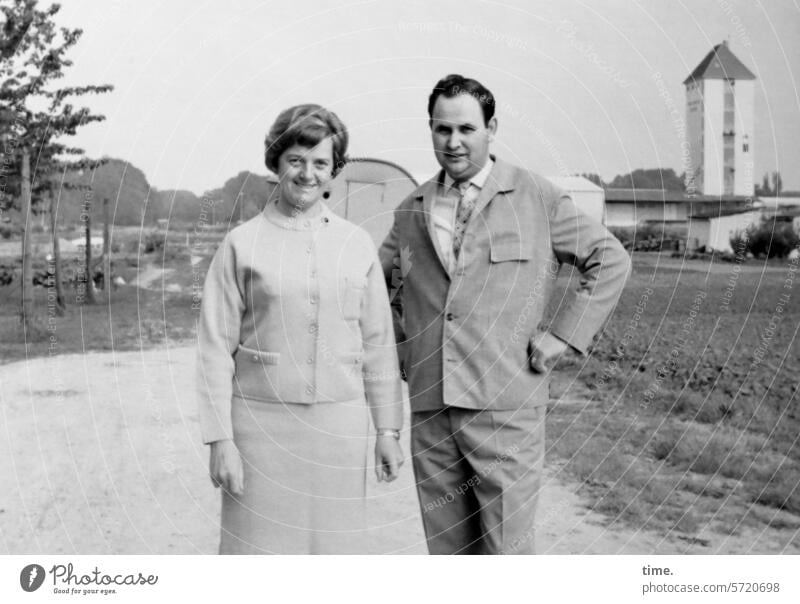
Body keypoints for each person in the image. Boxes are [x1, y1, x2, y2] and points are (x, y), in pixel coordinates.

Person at [379, 74, 631, 554]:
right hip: (432, 411)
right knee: (450, 554)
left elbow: (610, 259)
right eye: (442, 129)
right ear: (430, 130)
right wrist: (402, 350)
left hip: (506, 407)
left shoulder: (536, 197)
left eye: (466, 129)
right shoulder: (410, 210)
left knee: (507, 553)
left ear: (491, 127)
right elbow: (374, 286)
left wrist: (562, 335)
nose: (453, 142)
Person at [197, 104, 404, 554]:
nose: (307, 174)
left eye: (320, 163)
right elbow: (214, 348)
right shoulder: (241, 244)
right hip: (260, 433)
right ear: (276, 162)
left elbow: (378, 345)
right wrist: (220, 439)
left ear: (334, 170)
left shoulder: (356, 244)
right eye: (295, 160)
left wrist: (387, 430)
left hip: (339, 434)